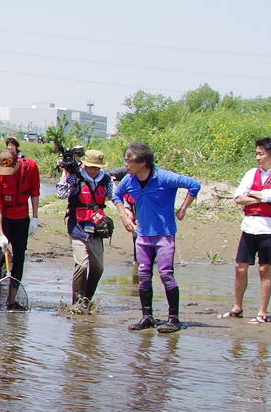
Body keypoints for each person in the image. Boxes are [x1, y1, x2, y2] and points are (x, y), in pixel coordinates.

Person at [112, 141, 201, 333]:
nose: (125, 164)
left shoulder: (164, 177)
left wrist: (183, 209)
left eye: (129, 160)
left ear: (142, 162)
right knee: (143, 277)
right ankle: (147, 317)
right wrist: (124, 215)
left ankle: (174, 319)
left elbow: (194, 185)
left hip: (164, 235)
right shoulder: (130, 179)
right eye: (125, 160)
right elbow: (116, 195)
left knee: (166, 275)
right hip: (142, 236)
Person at [227, 137, 271, 323]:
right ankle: (237, 308)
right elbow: (238, 197)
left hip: (269, 228)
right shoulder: (251, 173)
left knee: (264, 269)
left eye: (261, 154)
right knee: (240, 267)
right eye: (257, 153)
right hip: (249, 226)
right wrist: (262, 198)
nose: (258, 157)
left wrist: (253, 194)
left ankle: (262, 312)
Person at [57, 148, 113, 306]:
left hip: (96, 228)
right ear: (85, 165)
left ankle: (86, 300)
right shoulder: (75, 177)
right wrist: (66, 173)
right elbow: (61, 194)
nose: (94, 170)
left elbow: (115, 196)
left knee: (98, 268)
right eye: (91, 167)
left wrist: (126, 211)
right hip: (78, 227)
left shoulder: (106, 180)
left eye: (97, 168)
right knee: (82, 264)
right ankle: (76, 303)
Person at [0, 147, 39, 292]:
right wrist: (1, 233)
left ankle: (12, 297)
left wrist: (35, 217)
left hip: (21, 216)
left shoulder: (31, 168)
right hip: (3, 217)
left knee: (19, 255)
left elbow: (35, 192)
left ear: (17, 163)